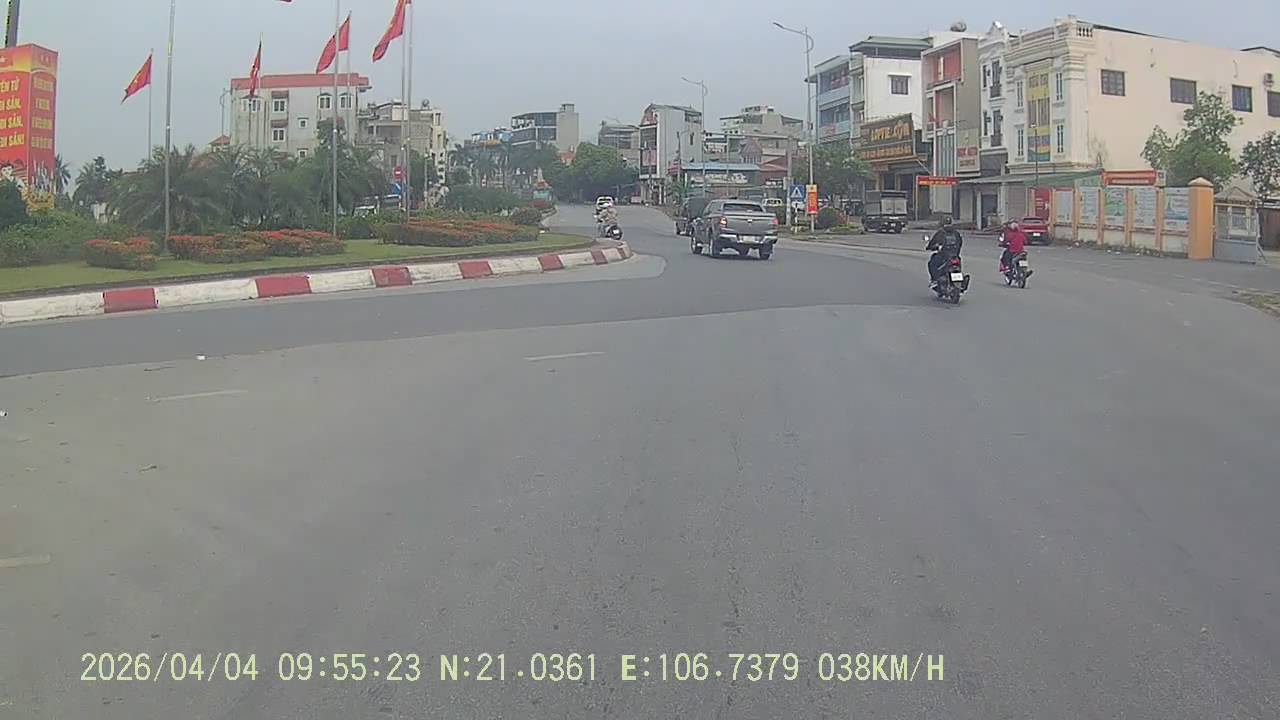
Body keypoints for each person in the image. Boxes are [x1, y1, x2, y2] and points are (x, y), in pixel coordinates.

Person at [927, 216, 964, 287]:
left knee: (931, 263)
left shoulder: (940, 232)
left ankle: (934, 280)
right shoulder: (956, 233)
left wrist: (930, 247)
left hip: (944, 256)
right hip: (955, 256)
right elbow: (960, 243)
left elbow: (932, 243)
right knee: (958, 262)